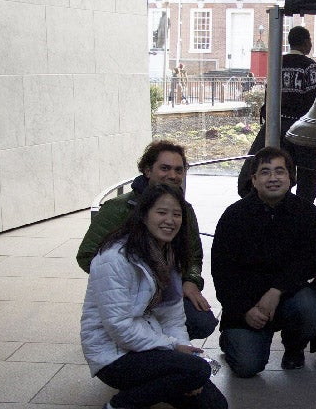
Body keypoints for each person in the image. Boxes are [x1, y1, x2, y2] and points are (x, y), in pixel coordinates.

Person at [80, 184, 228, 409]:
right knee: (196, 371)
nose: (170, 221)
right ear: (144, 214)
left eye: (176, 214)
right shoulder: (114, 258)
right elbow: (118, 326)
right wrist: (174, 351)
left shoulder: (168, 255)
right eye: (162, 213)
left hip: (148, 345)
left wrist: (182, 349)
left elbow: (173, 317)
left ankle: (155, 386)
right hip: (113, 354)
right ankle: (119, 406)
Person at [76, 140, 217, 341]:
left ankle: (162, 340)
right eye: (165, 168)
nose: (173, 175)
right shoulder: (116, 209)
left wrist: (190, 281)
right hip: (128, 291)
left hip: (167, 292)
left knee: (202, 321)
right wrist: (128, 281)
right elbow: (86, 254)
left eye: (179, 170)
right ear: (147, 170)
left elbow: (193, 254)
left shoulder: (185, 210)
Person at [212, 146, 316, 377]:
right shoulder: (234, 217)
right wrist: (244, 310)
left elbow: (310, 261)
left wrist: (276, 290)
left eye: (279, 171)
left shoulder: (306, 213)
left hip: (287, 298)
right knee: (247, 367)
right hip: (247, 305)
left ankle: (294, 348)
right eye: (265, 172)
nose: (273, 178)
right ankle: (232, 340)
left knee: (310, 307)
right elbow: (222, 273)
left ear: (290, 177)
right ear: (253, 180)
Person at [238, 26, 316, 202]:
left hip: (275, 128)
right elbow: (315, 102)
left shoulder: (277, 64)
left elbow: (269, 95)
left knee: (273, 170)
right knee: (307, 180)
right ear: (307, 43)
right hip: (302, 130)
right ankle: (300, 214)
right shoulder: (310, 67)